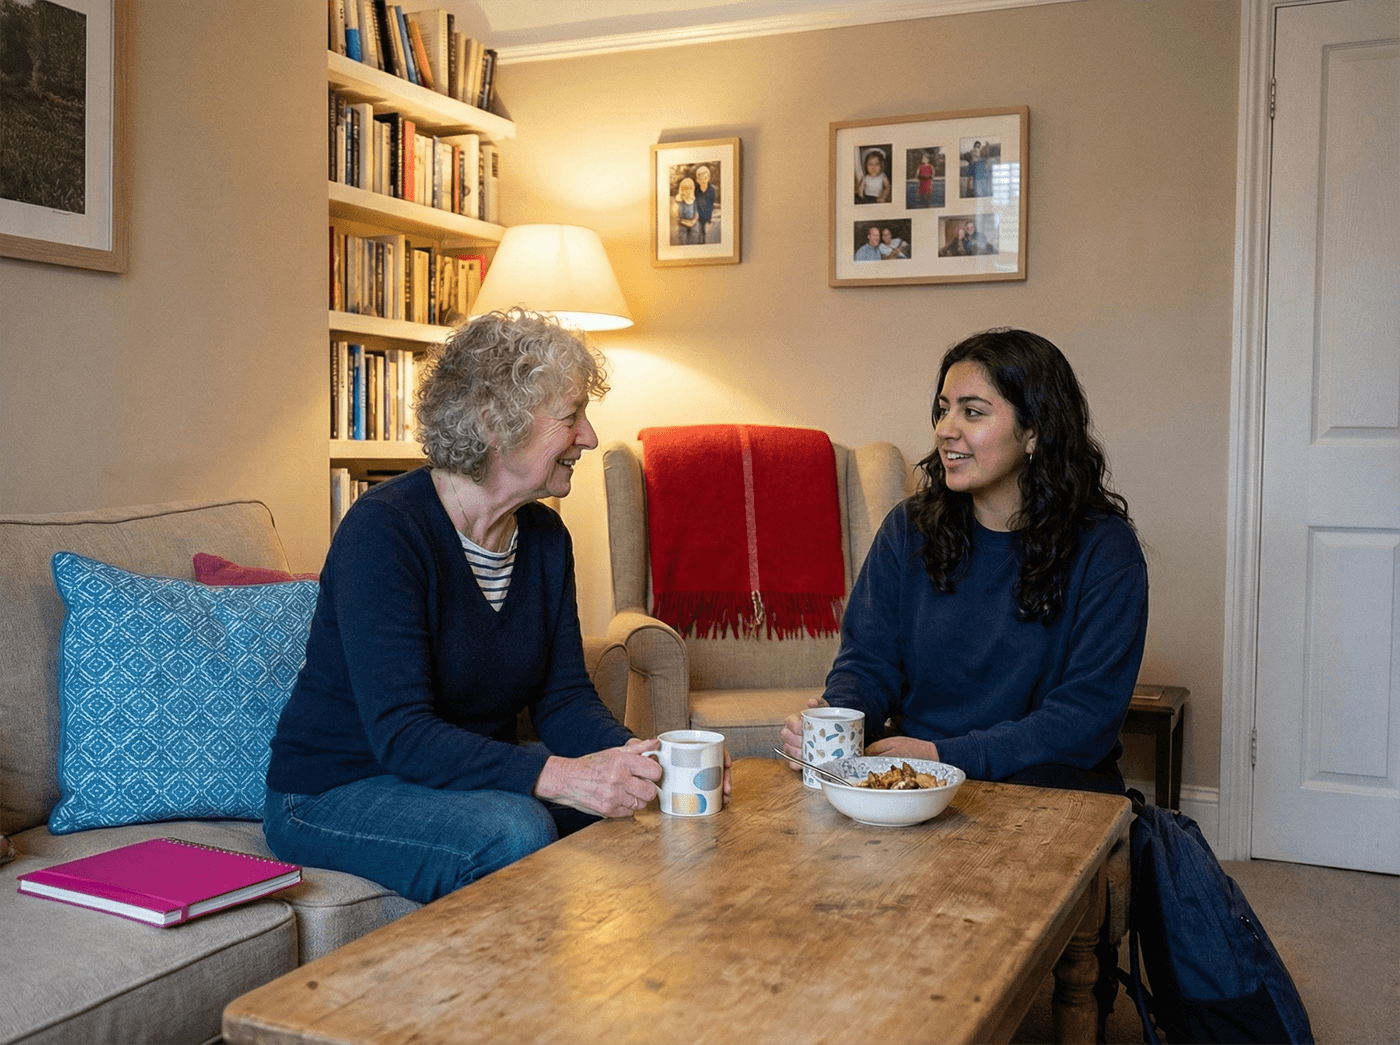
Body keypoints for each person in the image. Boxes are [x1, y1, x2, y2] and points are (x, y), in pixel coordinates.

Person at [264, 310, 726, 904]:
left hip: (452, 780)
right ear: (494, 421)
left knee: (633, 810)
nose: (588, 437)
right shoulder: (385, 531)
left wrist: (641, 761)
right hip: (335, 791)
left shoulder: (545, 538)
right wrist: (560, 775)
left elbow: (563, 697)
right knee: (515, 830)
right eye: (571, 417)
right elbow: (403, 735)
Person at [782, 329, 1147, 794]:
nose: (944, 429)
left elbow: (1084, 720)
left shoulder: (1106, 550)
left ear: (1034, 431)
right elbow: (868, 664)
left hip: (1045, 783)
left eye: (972, 412)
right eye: (943, 409)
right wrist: (837, 718)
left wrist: (944, 757)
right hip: (917, 776)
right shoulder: (907, 528)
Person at [674, 176, 702, 244]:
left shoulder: (693, 200)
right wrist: (687, 223)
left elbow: (696, 213)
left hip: (693, 223)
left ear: (692, 190)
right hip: (683, 224)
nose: (688, 191)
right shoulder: (680, 202)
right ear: (682, 190)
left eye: (690, 189)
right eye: (685, 189)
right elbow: (678, 218)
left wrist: (694, 221)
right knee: (683, 239)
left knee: (695, 235)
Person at [694, 165, 717, 242]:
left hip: (707, 215)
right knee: (698, 233)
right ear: (697, 179)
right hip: (698, 215)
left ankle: (704, 238)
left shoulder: (711, 190)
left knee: (705, 232)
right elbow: (693, 203)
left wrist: (710, 216)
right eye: (700, 178)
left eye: (705, 178)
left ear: (708, 178)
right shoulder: (696, 190)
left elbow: (711, 203)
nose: (703, 180)